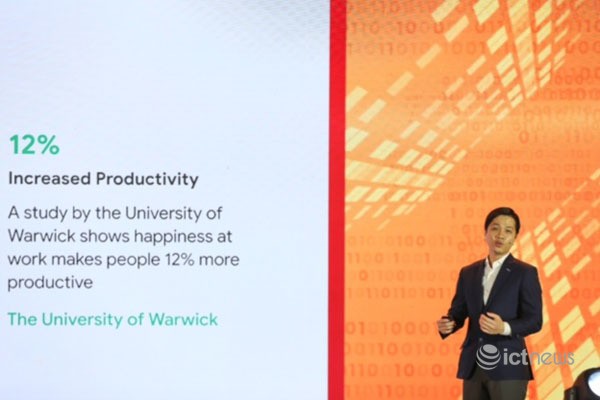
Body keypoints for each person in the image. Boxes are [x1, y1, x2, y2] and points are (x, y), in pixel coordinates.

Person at [437, 207, 543, 400]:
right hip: (473, 365)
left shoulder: (525, 273)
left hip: (508, 366)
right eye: (495, 228)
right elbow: (458, 311)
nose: (500, 235)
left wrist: (504, 328)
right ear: (485, 233)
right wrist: (450, 323)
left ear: (515, 237)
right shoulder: (468, 272)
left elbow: (535, 320)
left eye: (508, 231)